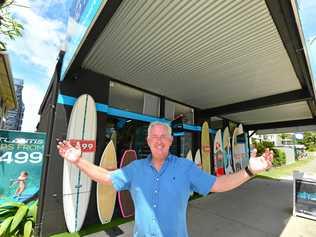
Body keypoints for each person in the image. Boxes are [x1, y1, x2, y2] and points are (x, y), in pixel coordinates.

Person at [57, 121, 273, 237]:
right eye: (154, 137)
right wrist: (78, 161)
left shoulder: (186, 168)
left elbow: (218, 184)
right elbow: (105, 177)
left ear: (170, 140)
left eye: (163, 136)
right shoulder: (135, 169)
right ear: (148, 140)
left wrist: (249, 171)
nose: (159, 140)